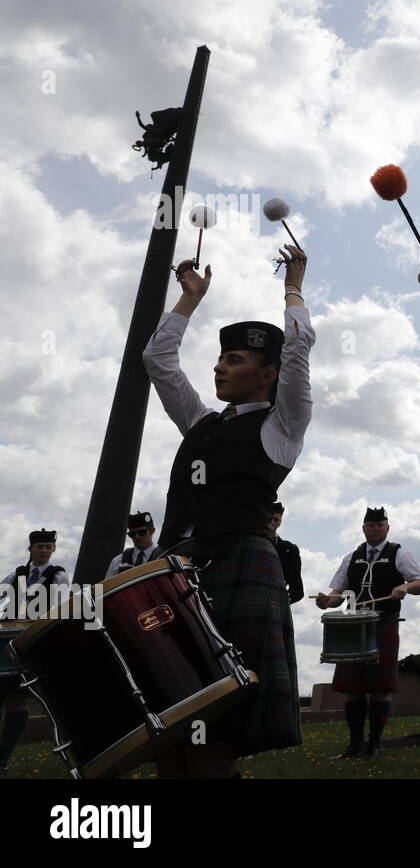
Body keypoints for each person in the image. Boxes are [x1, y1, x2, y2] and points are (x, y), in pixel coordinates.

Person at [143, 245, 313, 778]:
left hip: (241, 561)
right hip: (178, 569)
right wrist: (188, 300)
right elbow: (157, 361)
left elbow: (299, 348)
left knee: (219, 724)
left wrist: (293, 285)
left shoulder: (281, 426)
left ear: (268, 376)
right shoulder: (201, 422)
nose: (218, 366)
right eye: (219, 359)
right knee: (175, 721)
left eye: (233, 360)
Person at [319, 507, 420, 760]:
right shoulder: (352, 557)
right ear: (363, 528)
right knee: (353, 688)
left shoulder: (398, 553)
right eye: (371, 525)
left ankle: (374, 745)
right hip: (354, 627)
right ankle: (355, 745)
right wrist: (327, 601)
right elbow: (338, 593)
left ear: (387, 527)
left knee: (380, 688)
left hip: (383, 623)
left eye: (380, 525)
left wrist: (405, 586)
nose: (375, 528)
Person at [0, 530, 68, 775]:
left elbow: (62, 608)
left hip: (32, 644)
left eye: (47, 547)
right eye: (39, 547)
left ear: (53, 550)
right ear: (30, 549)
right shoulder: (17, 574)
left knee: (17, 701)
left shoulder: (58, 575)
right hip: (7, 643)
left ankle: (3, 757)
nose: (43, 551)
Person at [104, 511, 157, 580]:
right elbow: (104, 587)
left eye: (141, 532)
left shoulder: (163, 558)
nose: (137, 536)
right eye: (132, 534)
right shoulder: (117, 561)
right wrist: (87, 590)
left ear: (152, 531)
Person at [269, 502, 304, 604]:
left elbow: (297, 591)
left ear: (280, 521)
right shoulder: (246, 543)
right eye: (269, 518)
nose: (272, 522)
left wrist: (278, 604)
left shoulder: (289, 550)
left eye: (276, 519)